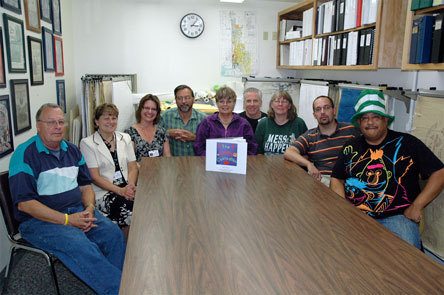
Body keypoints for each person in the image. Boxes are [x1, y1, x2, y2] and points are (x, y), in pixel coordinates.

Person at [8, 103, 126, 295]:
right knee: (79, 244)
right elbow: (25, 204)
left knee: (113, 234)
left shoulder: (72, 150)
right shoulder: (24, 155)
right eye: (51, 122)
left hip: (77, 211)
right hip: (38, 222)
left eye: (61, 122)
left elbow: (85, 186)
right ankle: (120, 290)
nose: (57, 126)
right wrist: (67, 221)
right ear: (38, 126)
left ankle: (117, 283)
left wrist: (88, 207)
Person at [330, 90, 444, 249]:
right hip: (355, 214)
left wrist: (417, 206)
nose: (370, 122)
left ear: (385, 120)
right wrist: (341, 206)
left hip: (396, 217)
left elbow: (440, 172)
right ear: (359, 123)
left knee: (409, 257)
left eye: (375, 117)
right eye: (365, 118)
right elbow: (337, 177)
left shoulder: (408, 143)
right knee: (334, 247)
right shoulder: (351, 146)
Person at [80, 103, 138, 239]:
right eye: (106, 118)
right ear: (96, 121)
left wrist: (130, 186)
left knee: (148, 203)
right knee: (133, 212)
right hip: (104, 192)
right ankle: (127, 247)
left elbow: (133, 167)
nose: (111, 122)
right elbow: (94, 177)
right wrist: (120, 191)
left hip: (126, 188)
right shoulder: (87, 143)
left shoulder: (125, 138)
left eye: (114, 118)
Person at [284, 95, 359, 185]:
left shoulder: (351, 130)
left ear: (334, 110)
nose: (322, 112)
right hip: (323, 181)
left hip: (349, 180)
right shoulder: (310, 136)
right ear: (314, 115)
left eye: (326, 108)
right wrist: (308, 164)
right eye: (318, 109)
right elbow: (289, 152)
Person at [194, 86, 257, 156]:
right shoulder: (207, 123)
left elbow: (252, 148)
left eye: (229, 102)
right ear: (216, 103)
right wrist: (211, 158)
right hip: (211, 164)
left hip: (237, 165)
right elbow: (198, 147)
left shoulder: (243, 124)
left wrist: (240, 158)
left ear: (234, 103)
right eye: (221, 101)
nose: (225, 105)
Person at [255, 90, 307, 155]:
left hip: (292, 164)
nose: (280, 104)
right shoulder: (263, 124)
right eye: (276, 101)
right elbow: (257, 152)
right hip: (267, 164)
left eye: (284, 101)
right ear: (271, 105)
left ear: (289, 105)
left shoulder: (299, 123)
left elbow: (306, 152)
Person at [160, 85, 206, 156]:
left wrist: (194, 138)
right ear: (175, 100)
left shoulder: (203, 119)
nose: (183, 101)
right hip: (173, 162)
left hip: (197, 163)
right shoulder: (165, 116)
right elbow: (154, 136)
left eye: (187, 98)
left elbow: (211, 143)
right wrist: (168, 133)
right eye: (179, 98)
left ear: (193, 99)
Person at [125, 94, 171, 161]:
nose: (150, 112)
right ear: (140, 109)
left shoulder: (162, 132)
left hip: (160, 170)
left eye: (153, 109)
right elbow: (130, 162)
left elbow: (167, 157)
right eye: (147, 108)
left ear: (157, 112)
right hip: (139, 171)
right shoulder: (130, 133)